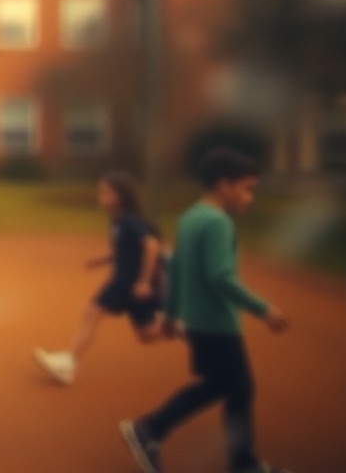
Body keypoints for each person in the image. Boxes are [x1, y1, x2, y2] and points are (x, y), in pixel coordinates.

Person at [119, 148, 292, 473]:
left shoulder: (191, 216)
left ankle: (235, 460)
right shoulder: (218, 222)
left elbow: (179, 270)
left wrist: (170, 316)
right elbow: (221, 276)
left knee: (225, 386)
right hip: (217, 323)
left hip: (196, 322)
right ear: (224, 185)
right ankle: (153, 429)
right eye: (247, 188)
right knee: (234, 387)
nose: (250, 198)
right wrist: (263, 309)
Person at [34, 171, 165, 384]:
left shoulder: (130, 221)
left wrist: (143, 281)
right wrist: (102, 259)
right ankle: (184, 329)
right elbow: (125, 250)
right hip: (127, 282)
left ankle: (69, 363)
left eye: (106, 193)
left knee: (92, 312)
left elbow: (151, 245)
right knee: (147, 335)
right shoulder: (117, 222)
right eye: (100, 192)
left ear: (121, 196)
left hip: (127, 281)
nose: (100, 197)